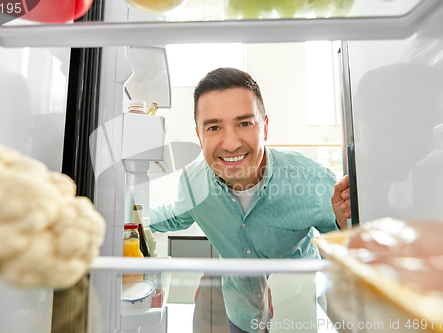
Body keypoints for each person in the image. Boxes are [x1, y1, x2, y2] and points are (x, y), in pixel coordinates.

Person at [149, 67, 351, 333]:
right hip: (240, 312)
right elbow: (176, 215)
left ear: (264, 128)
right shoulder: (192, 183)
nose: (231, 143)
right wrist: (121, 218)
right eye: (214, 127)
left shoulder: (311, 180)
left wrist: (343, 220)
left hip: (296, 310)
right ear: (199, 136)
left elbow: (347, 248)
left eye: (244, 123)